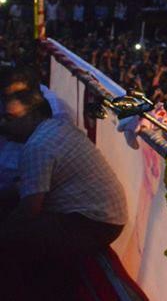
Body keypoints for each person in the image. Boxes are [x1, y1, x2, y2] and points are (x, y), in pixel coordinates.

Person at [0, 86, 127, 299]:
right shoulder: (57, 127)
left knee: (12, 240)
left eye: (10, 119)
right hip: (106, 215)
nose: (4, 125)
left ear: (33, 116)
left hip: (92, 223)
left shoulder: (37, 146)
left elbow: (29, 210)